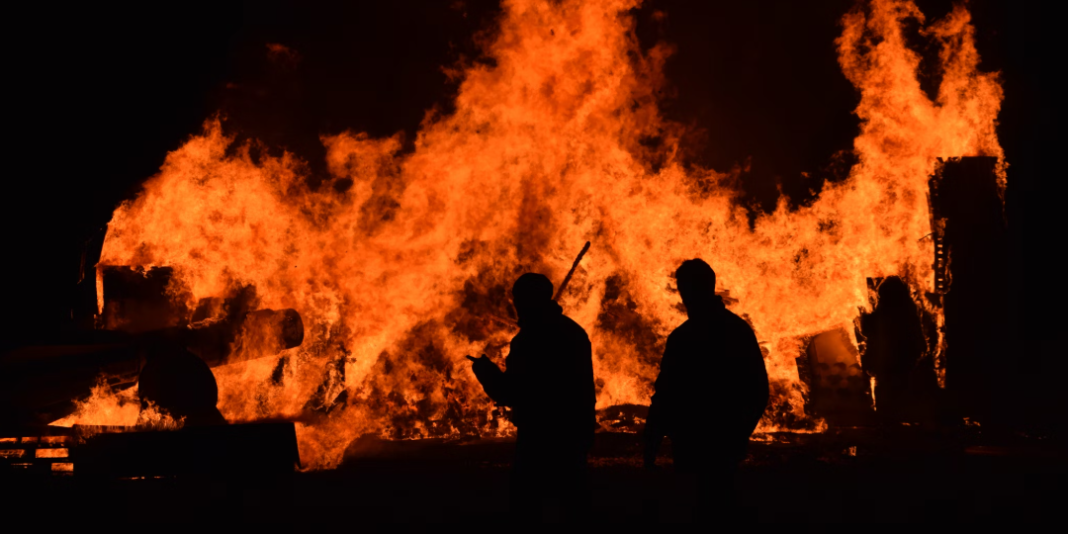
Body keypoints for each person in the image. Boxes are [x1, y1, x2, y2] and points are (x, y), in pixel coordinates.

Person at [643, 259, 768, 513]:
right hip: (722, 440)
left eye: (685, 287)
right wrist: (740, 432)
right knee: (721, 505)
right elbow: (758, 389)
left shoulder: (684, 337)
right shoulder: (738, 330)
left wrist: (652, 442)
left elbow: (666, 395)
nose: (684, 294)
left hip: (693, 441)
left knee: (697, 508)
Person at [467, 272, 595, 521]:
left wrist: (485, 371)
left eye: (518, 298)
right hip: (574, 429)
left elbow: (512, 392)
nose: (516, 304)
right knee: (573, 504)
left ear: (526, 300)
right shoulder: (573, 332)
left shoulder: (530, 340)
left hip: (539, 434)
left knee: (529, 506)